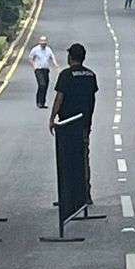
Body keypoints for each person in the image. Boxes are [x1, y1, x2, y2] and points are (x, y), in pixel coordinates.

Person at [49, 42, 100, 206]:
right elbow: (92, 98)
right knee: (83, 157)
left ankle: (67, 196)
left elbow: (59, 98)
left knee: (66, 160)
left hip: (66, 125)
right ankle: (85, 194)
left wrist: (52, 118)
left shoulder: (66, 75)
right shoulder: (91, 75)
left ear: (70, 57)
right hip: (84, 124)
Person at [29, 36, 57, 108]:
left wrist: (55, 65)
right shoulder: (35, 49)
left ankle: (43, 102)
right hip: (38, 69)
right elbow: (30, 58)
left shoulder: (48, 49)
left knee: (46, 86)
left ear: (46, 42)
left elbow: (52, 57)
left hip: (46, 70)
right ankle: (38, 102)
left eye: (44, 41)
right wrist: (34, 67)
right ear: (39, 42)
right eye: (42, 41)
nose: (43, 43)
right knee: (42, 85)